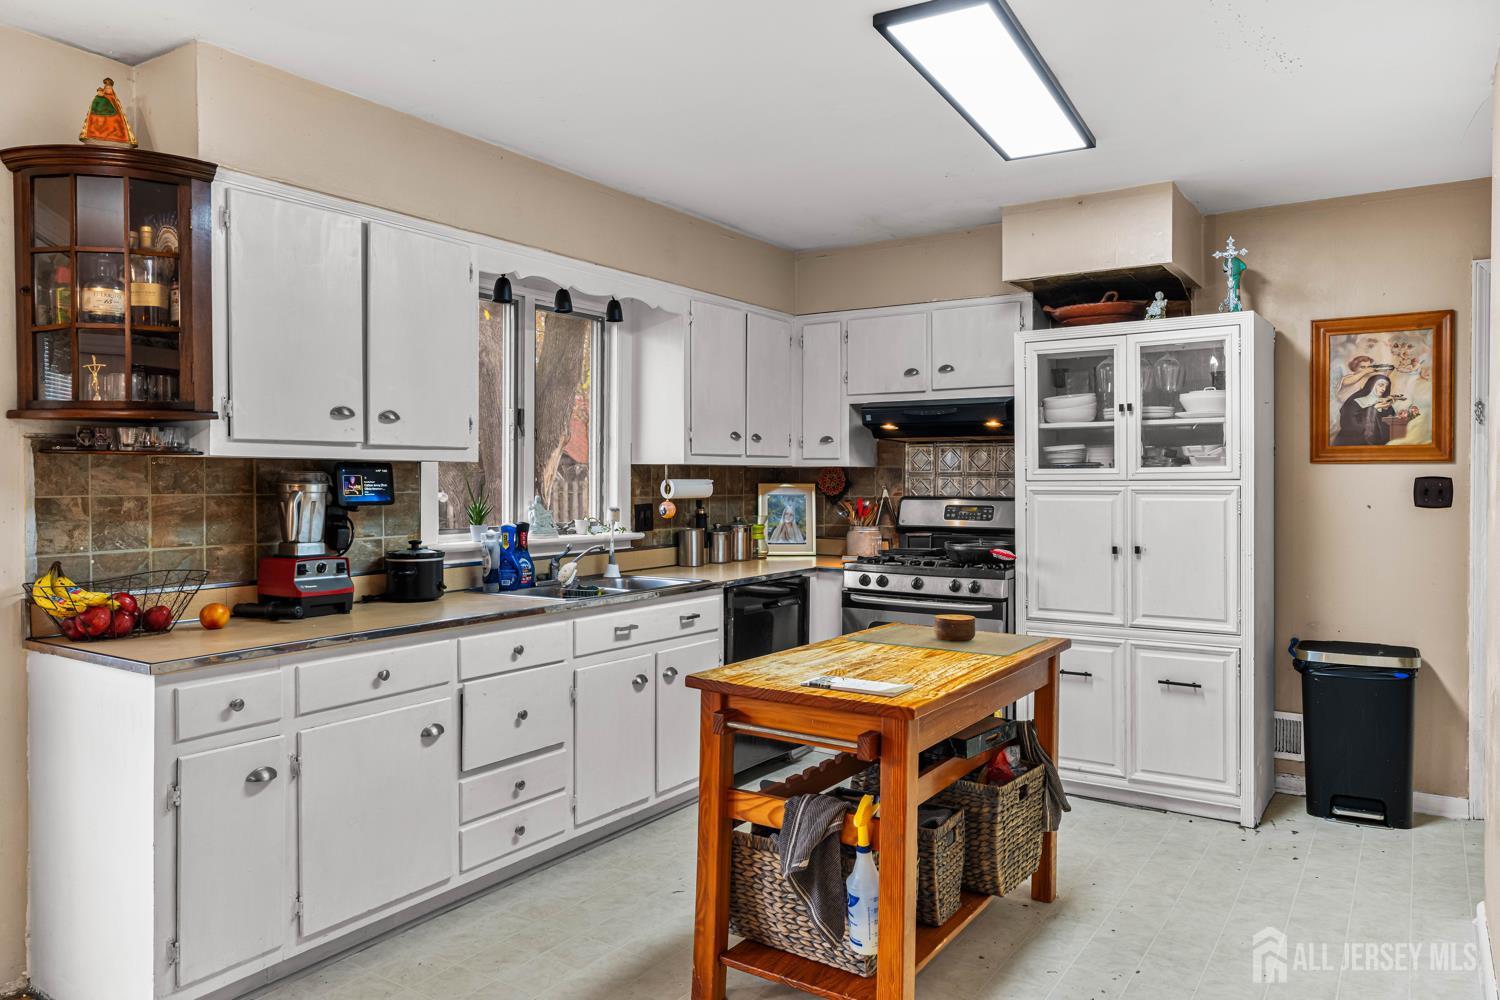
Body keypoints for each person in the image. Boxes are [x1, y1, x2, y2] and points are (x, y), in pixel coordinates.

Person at [1334, 374, 1399, 446]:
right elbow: (1349, 425)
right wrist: (1374, 408)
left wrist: (1387, 410)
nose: (1384, 389)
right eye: (1381, 385)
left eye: (1386, 387)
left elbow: (1391, 426)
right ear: (1371, 385)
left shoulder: (1385, 404)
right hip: (1354, 442)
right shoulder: (1355, 402)